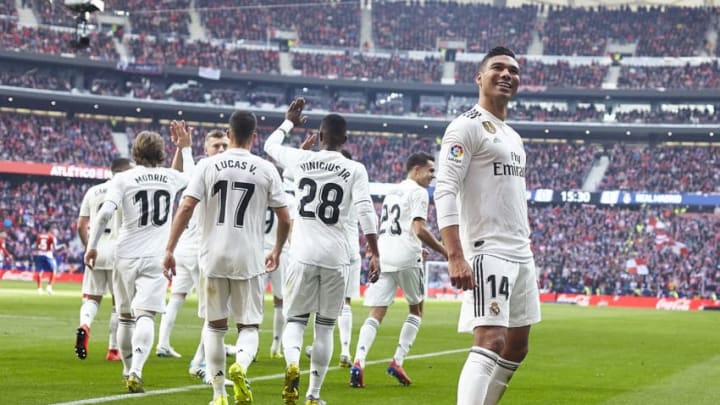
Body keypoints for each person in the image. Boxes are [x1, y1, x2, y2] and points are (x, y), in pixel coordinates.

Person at [434, 46, 541, 405]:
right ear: (479, 77)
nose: (507, 74)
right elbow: (445, 188)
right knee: (490, 339)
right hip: (486, 249)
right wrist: (455, 254)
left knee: (517, 347)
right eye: (498, 68)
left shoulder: (513, 137)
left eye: (514, 70)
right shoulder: (465, 125)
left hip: (520, 251)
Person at [163, 110, 292, 405]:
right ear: (254, 137)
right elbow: (285, 218)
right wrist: (277, 249)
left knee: (214, 327)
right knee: (248, 327)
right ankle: (241, 366)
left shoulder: (208, 165)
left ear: (229, 134)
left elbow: (185, 208)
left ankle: (219, 394)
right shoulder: (266, 169)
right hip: (249, 257)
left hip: (212, 256)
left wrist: (169, 248)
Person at [264, 98, 380, 405]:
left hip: (301, 254)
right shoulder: (355, 168)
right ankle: (314, 395)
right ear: (344, 139)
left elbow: (269, 145)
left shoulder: (300, 160)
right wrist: (375, 252)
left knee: (296, 321)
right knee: (326, 328)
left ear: (319, 134)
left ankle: (291, 364)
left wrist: (289, 121)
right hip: (336, 257)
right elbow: (367, 212)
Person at [84, 124, 194, 393]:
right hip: (157, 255)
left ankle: (125, 369)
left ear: (135, 153)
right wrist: (186, 146)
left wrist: (92, 246)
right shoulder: (170, 177)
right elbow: (192, 176)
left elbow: (105, 215)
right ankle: (136, 371)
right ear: (161, 153)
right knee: (146, 315)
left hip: (125, 254)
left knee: (124, 317)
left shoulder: (123, 179)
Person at [350, 152, 448, 388]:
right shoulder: (419, 192)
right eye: (430, 170)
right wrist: (447, 252)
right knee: (416, 309)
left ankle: (358, 361)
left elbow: (390, 229)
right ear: (416, 169)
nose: (432, 176)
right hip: (406, 257)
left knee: (376, 313)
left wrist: (376, 253)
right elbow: (419, 229)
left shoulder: (392, 192)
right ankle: (398, 360)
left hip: (385, 255)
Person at [156, 129, 230, 359]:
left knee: (177, 297)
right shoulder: (206, 170)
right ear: (205, 149)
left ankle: (163, 344)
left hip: (185, 248)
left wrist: (183, 149)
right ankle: (201, 359)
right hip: (201, 249)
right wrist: (185, 149)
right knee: (215, 308)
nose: (220, 150)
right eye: (216, 145)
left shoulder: (211, 170)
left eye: (224, 146)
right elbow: (187, 173)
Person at [76, 157, 132, 362]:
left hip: (96, 250)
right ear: (125, 171)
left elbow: (81, 225)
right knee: (119, 303)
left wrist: (88, 247)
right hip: (119, 252)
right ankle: (113, 349)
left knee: (92, 298)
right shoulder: (128, 190)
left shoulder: (93, 191)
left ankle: (85, 325)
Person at [263, 168, 296, 360]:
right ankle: (277, 344)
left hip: (258, 250)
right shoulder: (289, 199)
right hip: (281, 252)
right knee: (281, 301)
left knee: (254, 301)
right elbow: (290, 227)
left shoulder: (261, 194)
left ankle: (250, 344)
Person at [32, 225, 60, 295]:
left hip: (40, 255)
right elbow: (55, 249)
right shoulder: (51, 237)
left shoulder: (39, 236)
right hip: (48, 255)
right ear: (50, 229)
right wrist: (62, 246)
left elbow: (36, 247)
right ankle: (49, 287)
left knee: (39, 271)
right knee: (54, 270)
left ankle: (39, 289)